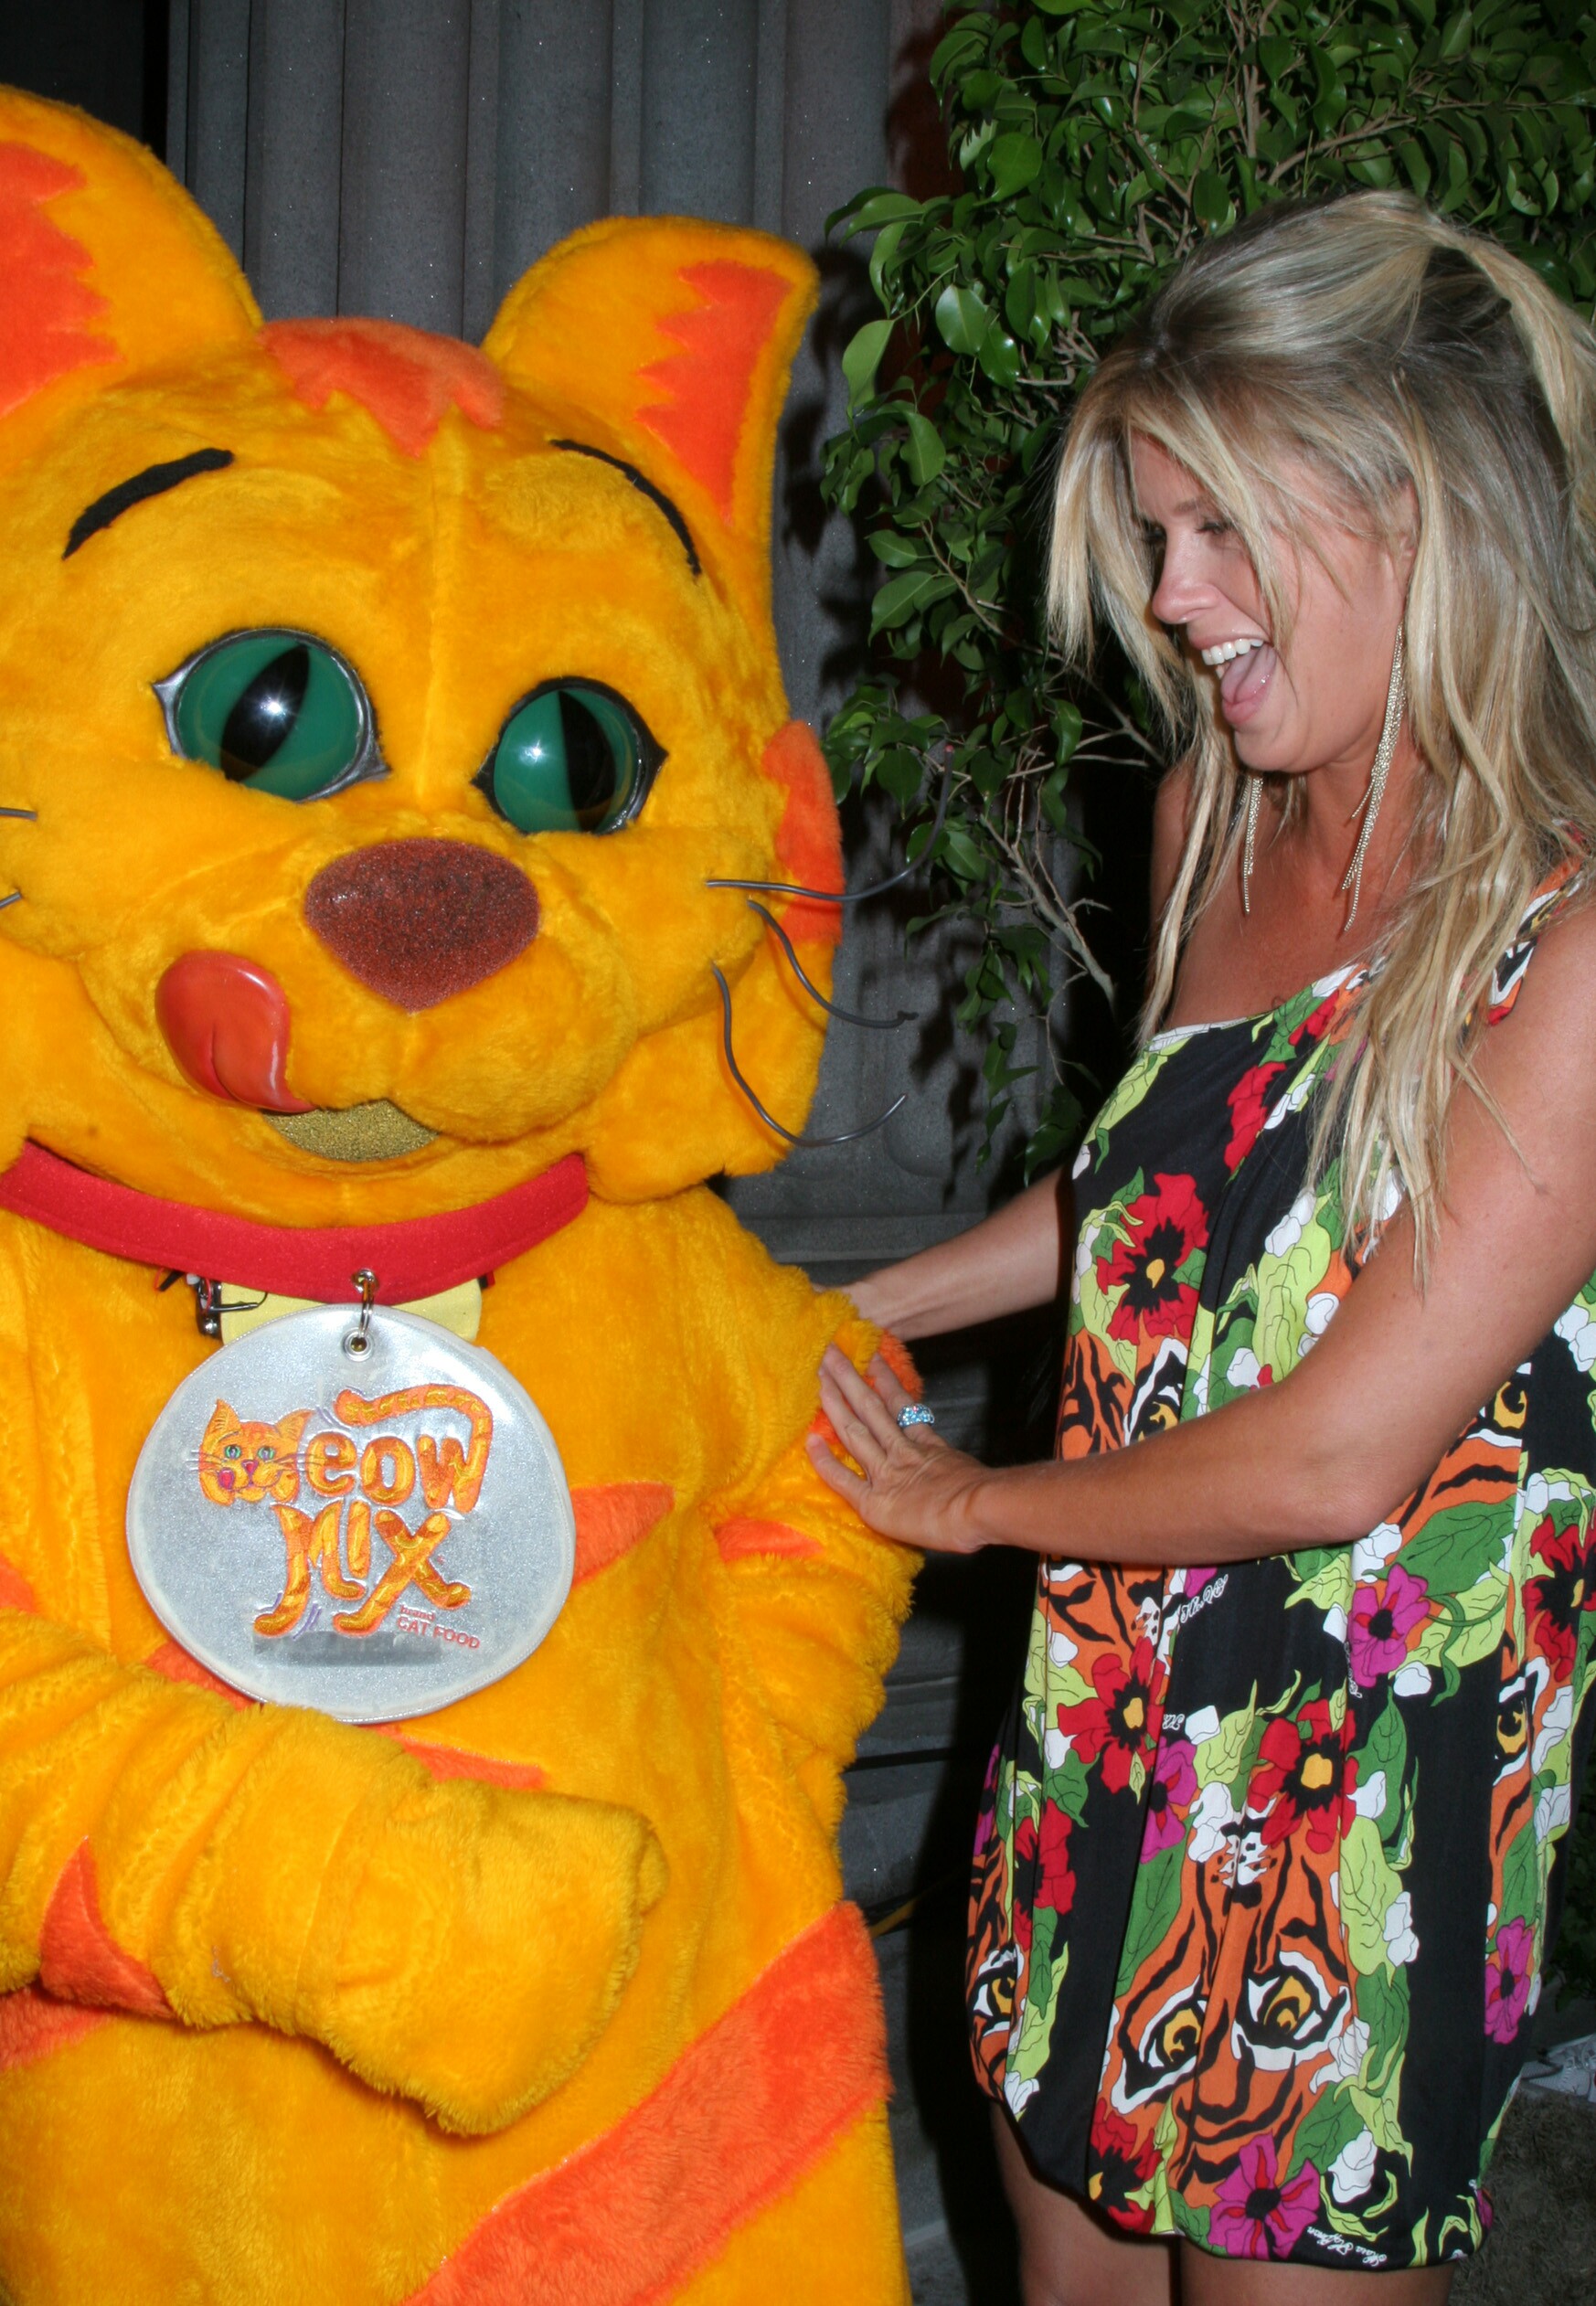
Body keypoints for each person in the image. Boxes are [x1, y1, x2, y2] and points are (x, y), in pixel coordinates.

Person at [810, 193, 1596, 2305]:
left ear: (1420, 506)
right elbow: (1166, 1196)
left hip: (1353, 1815)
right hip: (1098, 1710)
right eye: (1158, 535)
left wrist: (961, 1501)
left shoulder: (1571, 932)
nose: (1174, 598)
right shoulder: (1216, 816)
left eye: (1222, 531)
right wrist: (855, 1308)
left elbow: (1344, 1450)